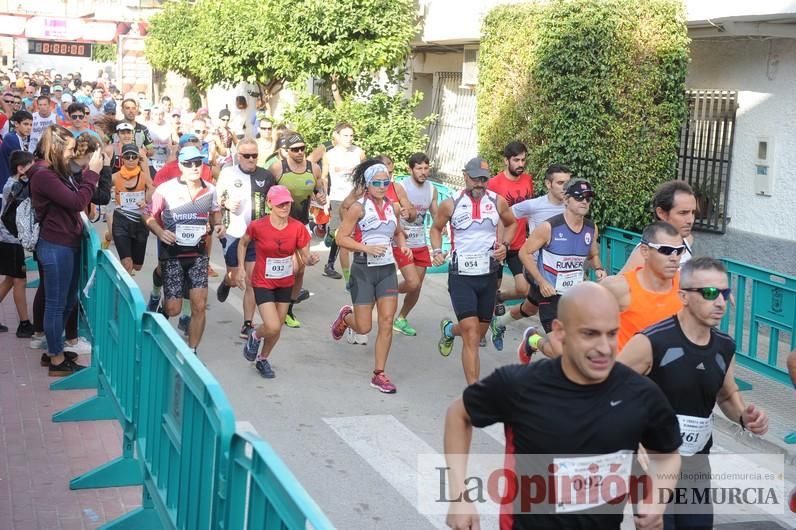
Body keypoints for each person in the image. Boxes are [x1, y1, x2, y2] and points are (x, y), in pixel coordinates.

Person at [443, 282, 682, 530]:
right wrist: (459, 497)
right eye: (590, 334)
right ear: (559, 332)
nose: (603, 347)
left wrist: (656, 500)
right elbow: (458, 414)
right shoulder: (520, 385)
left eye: (611, 334)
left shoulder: (639, 393)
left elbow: (666, 455)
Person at [620, 257, 769, 529]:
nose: (721, 302)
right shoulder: (651, 342)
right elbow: (609, 392)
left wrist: (745, 417)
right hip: (653, 466)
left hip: (696, 467)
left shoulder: (725, 346)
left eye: (725, 293)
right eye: (710, 293)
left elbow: (725, 395)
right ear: (684, 296)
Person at [431, 156, 517, 385]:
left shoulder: (497, 202)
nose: (480, 184)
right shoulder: (451, 204)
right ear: (465, 176)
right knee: (471, 333)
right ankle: (474, 390)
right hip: (461, 276)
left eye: (484, 179)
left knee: (478, 332)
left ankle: (450, 330)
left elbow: (511, 223)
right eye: (475, 179)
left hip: (488, 275)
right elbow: (436, 228)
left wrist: (505, 246)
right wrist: (437, 249)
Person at [330, 160, 411, 393]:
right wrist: (365, 248)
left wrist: (402, 245)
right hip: (363, 269)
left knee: (386, 321)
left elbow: (398, 232)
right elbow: (341, 238)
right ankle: (346, 318)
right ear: (368, 184)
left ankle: (379, 374)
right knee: (364, 327)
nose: (383, 186)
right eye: (377, 182)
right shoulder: (358, 207)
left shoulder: (393, 207)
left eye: (387, 182)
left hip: (386, 270)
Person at [30, 125, 102, 375]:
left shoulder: (58, 172)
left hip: (66, 243)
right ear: (57, 148)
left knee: (67, 301)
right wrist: (92, 174)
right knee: (56, 304)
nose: (72, 153)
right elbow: (76, 202)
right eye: (70, 149)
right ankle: (56, 361)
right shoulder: (43, 175)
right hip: (55, 246)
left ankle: (54, 349)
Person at [143, 145, 225, 354]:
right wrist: (160, 232)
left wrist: (217, 224)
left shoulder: (210, 189)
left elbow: (215, 211)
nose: (194, 167)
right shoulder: (166, 189)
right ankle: (162, 309)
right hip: (173, 255)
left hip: (198, 255)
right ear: (180, 165)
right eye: (188, 164)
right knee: (174, 309)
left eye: (198, 163)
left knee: (199, 305)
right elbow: (148, 215)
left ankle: (192, 353)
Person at [516, 179, 606, 363]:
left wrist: (599, 268)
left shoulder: (591, 227)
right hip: (550, 294)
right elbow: (524, 253)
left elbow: (593, 254)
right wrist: (542, 282)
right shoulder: (549, 227)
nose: (584, 201)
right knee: (559, 352)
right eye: (579, 197)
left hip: (574, 295)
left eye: (588, 198)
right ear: (566, 199)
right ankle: (532, 340)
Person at [239, 185, 319, 378]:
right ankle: (256, 335)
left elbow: (304, 254)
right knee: (272, 325)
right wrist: (241, 268)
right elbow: (243, 243)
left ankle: (263, 359)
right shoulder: (258, 226)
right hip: (263, 282)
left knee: (277, 328)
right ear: (269, 204)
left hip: (285, 282)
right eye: (280, 203)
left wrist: (310, 260)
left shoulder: (298, 228)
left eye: (287, 203)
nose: (284, 207)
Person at [492, 164, 571, 338]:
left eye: (568, 182)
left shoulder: (574, 206)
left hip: (564, 272)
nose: (565, 187)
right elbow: (504, 216)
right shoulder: (534, 205)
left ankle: (499, 323)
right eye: (560, 183)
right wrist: (501, 242)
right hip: (538, 270)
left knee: (530, 308)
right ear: (548, 184)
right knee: (559, 322)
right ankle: (546, 345)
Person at [215, 139, 274, 339]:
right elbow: (216, 199)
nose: (251, 159)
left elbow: (274, 201)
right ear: (238, 156)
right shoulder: (228, 173)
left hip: (256, 236)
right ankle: (227, 281)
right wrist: (226, 203)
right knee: (235, 277)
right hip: (233, 232)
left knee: (251, 280)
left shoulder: (266, 176)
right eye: (246, 155)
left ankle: (247, 323)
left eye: (254, 155)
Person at [269, 132, 326, 328]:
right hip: (280, 225)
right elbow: (265, 195)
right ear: (287, 151)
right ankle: (276, 301)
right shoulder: (278, 168)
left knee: (299, 269)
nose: (300, 152)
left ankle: (288, 309)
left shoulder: (314, 168)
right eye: (295, 149)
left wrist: (320, 197)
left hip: (301, 224)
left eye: (303, 148)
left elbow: (318, 189)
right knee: (285, 267)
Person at [601, 221, 684, 350]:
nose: (674, 258)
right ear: (644, 251)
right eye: (666, 250)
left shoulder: (687, 287)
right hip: (627, 369)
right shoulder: (619, 288)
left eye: (679, 251)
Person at [486, 142, 535, 318]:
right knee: (492, 285)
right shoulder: (493, 183)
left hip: (518, 244)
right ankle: (484, 324)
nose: (521, 164)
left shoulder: (528, 180)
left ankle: (500, 298)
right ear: (506, 160)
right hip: (497, 244)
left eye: (523, 160)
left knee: (524, 288)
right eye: (516, 160)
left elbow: (529, 211)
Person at [390, 152, 436, 337]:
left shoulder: (432, 189)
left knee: (417, 286)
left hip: (420, 242)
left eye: (426, 168)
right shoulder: (401, 187)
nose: (423, 172)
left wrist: (444, 228)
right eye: (419, 168)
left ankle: (401, 318)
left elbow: (436, 215)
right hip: (401, 241)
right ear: (411, 169)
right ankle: (386, 292)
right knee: (412, 282)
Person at [321, 122, 366, 281]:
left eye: (351, 135)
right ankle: (332, 262)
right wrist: (325, 199)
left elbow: (365, 174)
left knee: (348, 235)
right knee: (339, 234)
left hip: (355, 198)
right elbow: (324, 178)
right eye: (345, 135)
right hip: (337, 198)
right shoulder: (329, 155)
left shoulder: (359, 152)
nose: (349, 138)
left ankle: (341, 271)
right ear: (337, 136)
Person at [621, 180, 697, 273]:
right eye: (683, 213)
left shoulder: (687, 239)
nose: (691, 220)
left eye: (693, 212)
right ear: (661, 213)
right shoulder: (647, 252)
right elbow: (620, 283)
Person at [0, 150, 35, 336]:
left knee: (10, 280)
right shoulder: (15, 186)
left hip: (8, 238)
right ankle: (24, 323)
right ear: (21, 169)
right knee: (19, 280)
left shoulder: (14, 183)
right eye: (31, 166)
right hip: (11, 239)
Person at [111, 143, 154, 274]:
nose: (130, 159)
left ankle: (107, 236)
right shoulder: (114, 177)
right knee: (127, 264)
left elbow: (152, 188)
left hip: (140, 222)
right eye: (127, 156)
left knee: (137, 266)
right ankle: (125, 293)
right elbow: (101, 193)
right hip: (121, 222)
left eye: (133, 156)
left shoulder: (144, 176)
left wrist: (146, 200)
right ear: (122, 158)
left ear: (137, 159)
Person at [0, 110, 33, 196]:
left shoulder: (24, 138)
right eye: (25, 124)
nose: (29, 127)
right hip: (7, 186)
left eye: (31, 124)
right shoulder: (11, 138)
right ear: (16, 124)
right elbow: (24, 163)